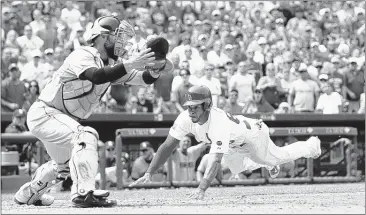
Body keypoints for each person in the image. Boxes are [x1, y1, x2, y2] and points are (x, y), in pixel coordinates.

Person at [13, 16, 173, 208]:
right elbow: (96, 76)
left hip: (63, 119)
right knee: (86, 135)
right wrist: (131, 64)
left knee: (63, 167)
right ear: (102, 37)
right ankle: (83, 194)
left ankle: (28, 194)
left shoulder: (114, 62)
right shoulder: (82, 54)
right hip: (45, 113)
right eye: (119, 36)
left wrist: (155, 68)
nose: (123, 42)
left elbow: (143, 78)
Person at [130, 85, 321, 200]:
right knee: (237, 168)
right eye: (189, 107)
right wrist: (150, 171)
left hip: (253, 135)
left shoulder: (218, 122)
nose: (191, 111)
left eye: (195, 107)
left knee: (277, 157)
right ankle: (267, 163)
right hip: (233, 143)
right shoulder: (185, 118)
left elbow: (214, 161)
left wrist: (202, 188)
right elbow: (168, 145)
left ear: (207, 105)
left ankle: (312, 145)